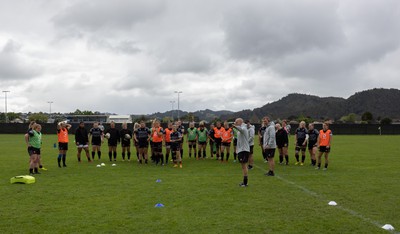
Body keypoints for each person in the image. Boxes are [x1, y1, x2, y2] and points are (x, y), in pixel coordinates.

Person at [231, 118, 250, 187]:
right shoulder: (240, 129)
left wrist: (235, 126)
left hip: (244, 150)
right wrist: (237, 150)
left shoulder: (243, 128)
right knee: (243, 166)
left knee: (244, 166)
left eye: (236, 122)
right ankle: (244, 182)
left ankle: (245, 182)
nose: (235, 123)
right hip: (241, 150)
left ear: (240, 122)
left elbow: (241, 129)